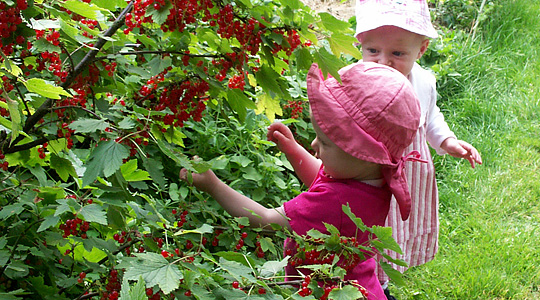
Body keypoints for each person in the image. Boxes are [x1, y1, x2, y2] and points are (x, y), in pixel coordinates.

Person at [180, 62, 424, 300]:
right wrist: (293, 150)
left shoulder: (333, 203)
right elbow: (321, 175)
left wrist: (213, 185)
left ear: (366, 155)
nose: (314, 145)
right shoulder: (373, 176)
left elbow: (265, 219)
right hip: (361, 284)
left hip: (327, 292)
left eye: (325, 142)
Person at [354, 0, 483, 297]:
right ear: (361, 43)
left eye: (397, 53)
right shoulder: (356, 80)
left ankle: (381, 284)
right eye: (373, 51)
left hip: (408, 177)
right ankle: (366, 282)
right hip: (366, 174)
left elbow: (431, 117)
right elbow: (338, 119)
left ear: (420, 50)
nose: (383, 61)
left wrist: (448, 142)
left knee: (393, 232)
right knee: (366, 230)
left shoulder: (423, 82)